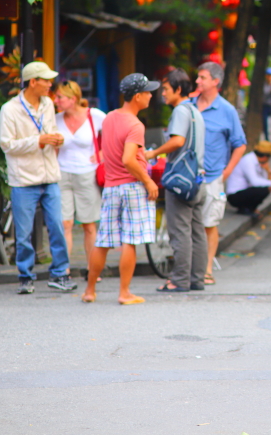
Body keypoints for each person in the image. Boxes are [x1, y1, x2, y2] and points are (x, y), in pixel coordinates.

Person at [81, 74, 160, 305]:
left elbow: (113, 151)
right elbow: (128, 159)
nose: (150, 95)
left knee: (103, 241)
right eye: (147, 92)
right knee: (130, 241)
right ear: (137, 96)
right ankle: (124, 293)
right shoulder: (135, 124)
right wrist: (148, 181)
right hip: (132, 187)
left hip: (111, 187)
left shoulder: (109, 118)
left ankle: (90, 291)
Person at [0, 61, 74, 294]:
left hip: (50, 176)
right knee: (24, 233)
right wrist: (38, 141)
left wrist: (57, 139)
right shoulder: (9, 109)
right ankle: (25, 276)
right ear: (33, 82)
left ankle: (60, 273)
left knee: (57, 228)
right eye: (46, 81)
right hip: (23, 180)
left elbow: (49, 132)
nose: (50, 85)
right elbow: (6, 144)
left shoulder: (48, 104)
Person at [144, 69, 207, 293]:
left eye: (167, 89)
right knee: (197, 232)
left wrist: (153, 153)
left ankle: (179, 280)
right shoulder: (195, 111)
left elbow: (178, 141)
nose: (162, 94)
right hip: (198, 179)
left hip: (181, 181)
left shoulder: (181, 111)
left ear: (178, 90)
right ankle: (196, 279)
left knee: (180, 232)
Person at [193, 62, 247, 285]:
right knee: (188, 225)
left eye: (202, 77)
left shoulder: (227, 110)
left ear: (215, 81)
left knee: (209, 224)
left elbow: (240, 144)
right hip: (189, 177)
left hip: (214, 175)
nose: (197, 81)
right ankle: (190, 268)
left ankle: (206, 269)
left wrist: (226, 172)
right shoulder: (189, 106)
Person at [53, 80, 104, 262]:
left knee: (89, 225)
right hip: (62, 174)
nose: (56, 100)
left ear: (73, 99)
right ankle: (63, 269)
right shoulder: (56, 119)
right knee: (65, 223)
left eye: (60, 97)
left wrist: (102, 152)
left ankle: (92, 268)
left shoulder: (94, 115)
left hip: (87, 174)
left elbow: (115, 133)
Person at [225, 141, 271, 214]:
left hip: (244, 191)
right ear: (265, 157)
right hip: (234, 195)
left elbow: (263, 180)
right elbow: (255, 182)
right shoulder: (248, 160)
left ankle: (250, 209)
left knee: (265, 188)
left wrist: (267, 170)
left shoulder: (257, 162)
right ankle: (246, 209)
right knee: (264, 190)